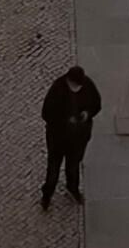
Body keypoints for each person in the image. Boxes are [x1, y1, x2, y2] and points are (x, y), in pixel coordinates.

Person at [39, 63, 102, 208]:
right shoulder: (58, 88)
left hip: (78, 138)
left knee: (73, 167)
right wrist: (66, 120)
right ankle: (47, 195)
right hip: (58, 139)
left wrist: (87, 113)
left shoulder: (88, 85)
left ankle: (72, 188)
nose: (77, 89)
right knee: (53, 170)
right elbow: (47, 113)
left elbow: (96, 104)